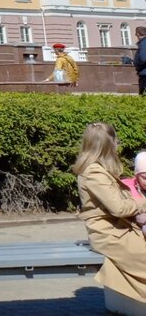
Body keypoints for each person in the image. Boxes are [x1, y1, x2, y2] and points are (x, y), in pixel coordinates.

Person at [73, 122, 146, 302]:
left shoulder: (99, 169)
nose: (118, 145)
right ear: (108, 144)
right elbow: (118, 208)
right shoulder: (94, 172)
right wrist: (143, 201)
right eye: (115, 141)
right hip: (109, 234)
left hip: (117, 230)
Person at [134, 27, 146, 97]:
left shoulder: (143, 43)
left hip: (144, 74)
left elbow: (143, 58)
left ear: (138, 34)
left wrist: (137, 65)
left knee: (143, 96)